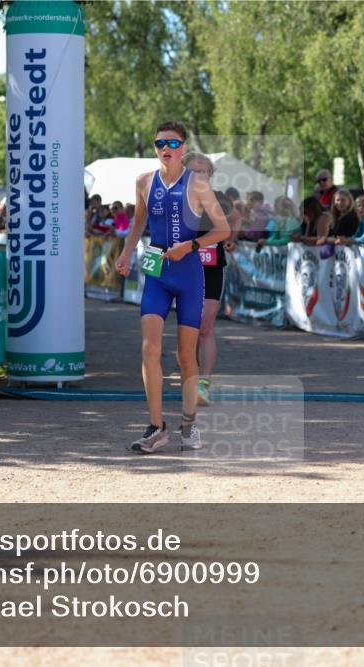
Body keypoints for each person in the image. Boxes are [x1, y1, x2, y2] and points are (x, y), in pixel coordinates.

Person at [114, 121, 230, 454]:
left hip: (190, 275)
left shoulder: (198, 184)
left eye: (174, 143)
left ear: (183, 148)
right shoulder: (144, 182)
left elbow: (222, 230)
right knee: (149, 349)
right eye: (161, 143)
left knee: (184, 356)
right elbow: (138, 221)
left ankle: (189, 424)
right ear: (155, 148)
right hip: (157, 273)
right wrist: (125, 254)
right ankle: (156, 427)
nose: (167, 148)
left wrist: (190, 247)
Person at [181, 151, 241, 407]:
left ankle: (203, 385)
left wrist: (231, 239)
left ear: (211, 175)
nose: (198, 176)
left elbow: (236, 218)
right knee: (189, 329)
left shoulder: (218, 199)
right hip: (184, 267)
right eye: (193, 172)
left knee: (205, 327)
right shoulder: (176, 198)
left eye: (203, 172)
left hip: (212, 266)